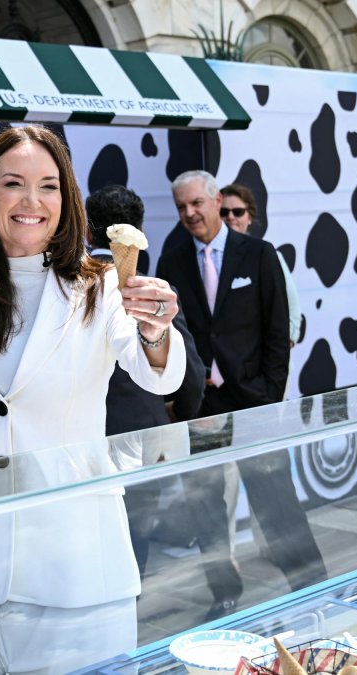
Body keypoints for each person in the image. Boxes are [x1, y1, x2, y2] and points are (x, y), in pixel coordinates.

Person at [0, 126, 188, 674]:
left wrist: (156, 331)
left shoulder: (101, 285)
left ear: (68, 201)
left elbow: (157, 376)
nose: (32, 201)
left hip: (80, 565)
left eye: (49, 186)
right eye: (13, 183)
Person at [156, 169, 326, 620]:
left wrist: (270, 394)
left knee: (276, 501)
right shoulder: (171, 261)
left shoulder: (259, 255)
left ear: (215, 201)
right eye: (181, 207)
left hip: (254, 402)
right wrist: (180, 398)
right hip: (200, 406)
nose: (190, 213)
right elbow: (168, 333)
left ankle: (311, 587)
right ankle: (224, 594)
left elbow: (277, 331)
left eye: (196, 203)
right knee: (206, 506)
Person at [86, 183, 206, 573]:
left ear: (88, 231)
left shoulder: (69, 287)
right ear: (138, 230)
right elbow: (192, 373)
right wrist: (178, 413)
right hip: (144, 440)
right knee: (132, 549)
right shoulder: (155, 294)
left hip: (81, 442)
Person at [221, 183, 302, 348]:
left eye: (238, 212)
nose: (230, 217)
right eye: (223, 212)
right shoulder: (207, 259)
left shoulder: (267, 255)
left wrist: (282, 348)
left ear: (249, 217)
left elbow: (292, 309)